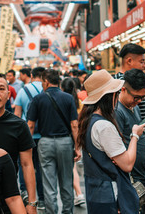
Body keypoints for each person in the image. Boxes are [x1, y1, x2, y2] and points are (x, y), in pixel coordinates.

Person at [76, 69, 144, 214]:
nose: (118, 96)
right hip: (110, 194)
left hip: (96, 190)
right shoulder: (104, 126)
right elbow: (127, 164)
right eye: (116, 93)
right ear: (109, 96)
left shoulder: (88, 120)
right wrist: (135, 135)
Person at [0, 73, 38, 213]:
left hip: (8, 197)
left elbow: (27, 164)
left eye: (1, 89)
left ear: (8, 94)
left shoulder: (18, 125)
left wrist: (32, 203)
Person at [27, 69, 80, 214]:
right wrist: (77, 146)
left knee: (49, 184)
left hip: (45, 143)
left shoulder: (38, 99)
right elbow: (74, 125)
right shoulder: (68, 98)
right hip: (65, 142)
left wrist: (27, 147)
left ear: (46, 81)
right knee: (66, 182)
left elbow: (30, 125)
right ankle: (67, 212)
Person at [114, 69, 145, 213]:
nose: (139, 101)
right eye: (136, 97)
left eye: (143, 97)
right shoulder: (118, 112)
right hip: (131, 178)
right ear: (123, 89)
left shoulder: (133, 107)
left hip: (141, 173)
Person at [14, 66, 45, 208]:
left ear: (32, 75)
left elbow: (17, 116)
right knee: (39, 166)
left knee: (25, 164)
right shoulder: (47, 89)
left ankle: (25, 191)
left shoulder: (23, 90)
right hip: (44, 135)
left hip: (27, 134)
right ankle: (42, 198)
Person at [115, 43, 145, 145]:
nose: (144, 65)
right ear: (129, 61)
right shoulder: (118, 83)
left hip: (143, 139)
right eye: (141, 62)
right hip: (132, 140)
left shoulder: (140, 81)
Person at [60, 77, 85, 206]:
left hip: (68, 136)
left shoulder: (63, 101)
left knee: (71, 168)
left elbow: (73, 124)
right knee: (73, 166)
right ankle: (78, 193)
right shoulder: (79, 102)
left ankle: (78, 193)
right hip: (79, 135)